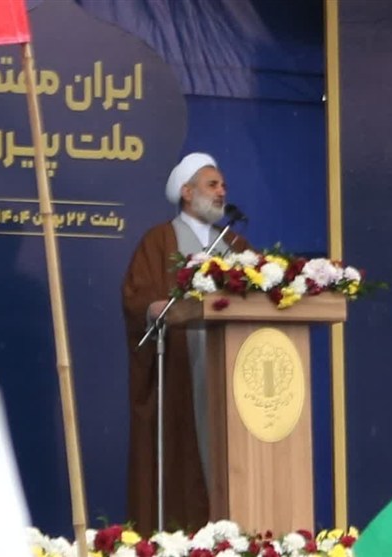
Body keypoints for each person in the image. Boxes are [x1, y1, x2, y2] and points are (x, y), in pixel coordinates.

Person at [121, 152, 251, 535]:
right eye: (212, 185)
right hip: (182, 366)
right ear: (187, 192)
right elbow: (138, 297)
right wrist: (154, 307)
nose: (221, 192)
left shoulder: (235, 244)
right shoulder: (160, 241)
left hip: (230, 371)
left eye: (223, 185)